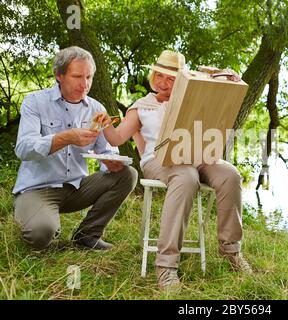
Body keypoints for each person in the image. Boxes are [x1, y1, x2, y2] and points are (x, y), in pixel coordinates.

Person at [98, 50, 252, 290]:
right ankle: (166, 267)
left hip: (197, 155)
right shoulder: (142, 106)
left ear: (181, 80)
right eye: (159, 75)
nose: (163, 82)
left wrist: (229, 77)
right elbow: (117, 138)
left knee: (230, 174)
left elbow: (222, 97)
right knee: (186, 176)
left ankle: (231, 251)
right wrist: (105, 125)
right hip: (159, 160)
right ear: (152, 76)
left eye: (171, 79)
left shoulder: (195, 98)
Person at [13, 46, 138, 251]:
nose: (85, 84)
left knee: (127, 174)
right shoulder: (35, 102)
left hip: (77, 187)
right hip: (38, 188)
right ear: (59, 75)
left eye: (89, 77)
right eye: (77, 76)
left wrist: (109, 161)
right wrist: (65, 138)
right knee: (40, 234)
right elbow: (24, 148)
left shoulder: (97, 109)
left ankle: (87, 235)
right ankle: (42, 221)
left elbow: (107, 149)